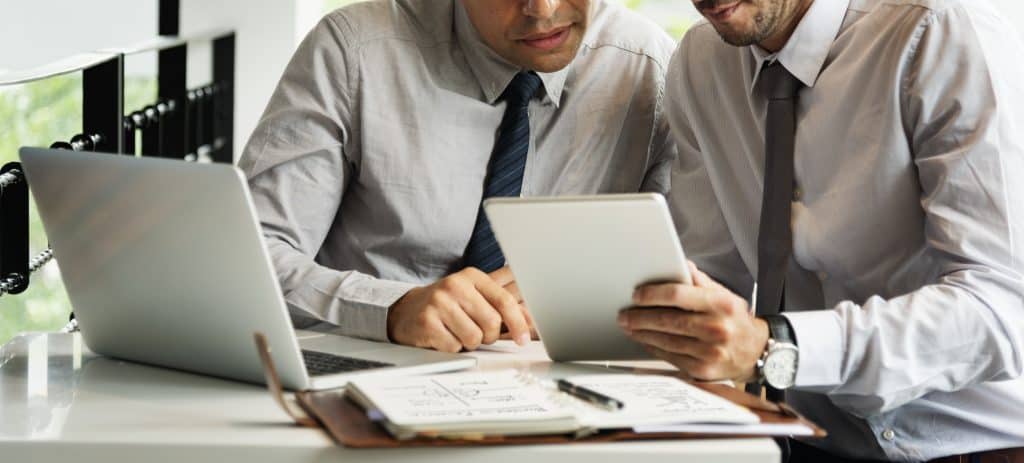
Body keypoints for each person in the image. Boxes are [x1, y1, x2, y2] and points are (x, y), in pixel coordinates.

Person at [617, 0, 1024, 461]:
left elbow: (1004, 306)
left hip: (970, 448)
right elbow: (706, 275)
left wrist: (778, 348)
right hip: (798, 440)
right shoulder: (701, 61)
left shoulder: (941, 33)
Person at [238, 0, 676, 353]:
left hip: (562, 389)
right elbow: (250, 257)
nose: (543, 9)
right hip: (365, 376)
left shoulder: (651, 70)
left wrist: (583, 295)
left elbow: (684, 280)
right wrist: (390, 309)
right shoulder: (354, 51)